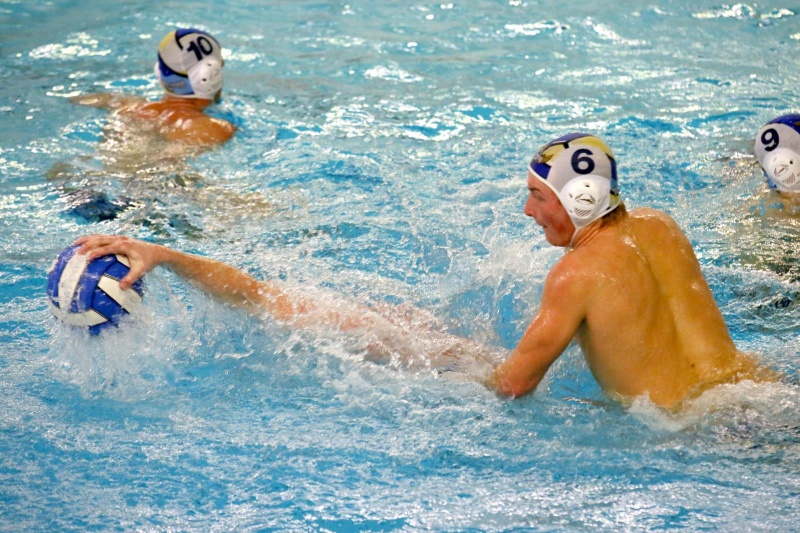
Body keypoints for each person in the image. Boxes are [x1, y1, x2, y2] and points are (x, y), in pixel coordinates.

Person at [73, 133, 777, 410]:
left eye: (538, 195)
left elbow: (512, 386)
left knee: (420, 346)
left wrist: (399, 365)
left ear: (581, 198)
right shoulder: (660, 226)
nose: (527, 210)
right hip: (757, 395)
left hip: (694, 434)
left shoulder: (575, 276)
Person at [69, 28, 236, 148]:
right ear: (209, 75)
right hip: (146, 192)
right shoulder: (216, 128)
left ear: (160, 73)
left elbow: (83, 98)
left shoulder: (128, 105)